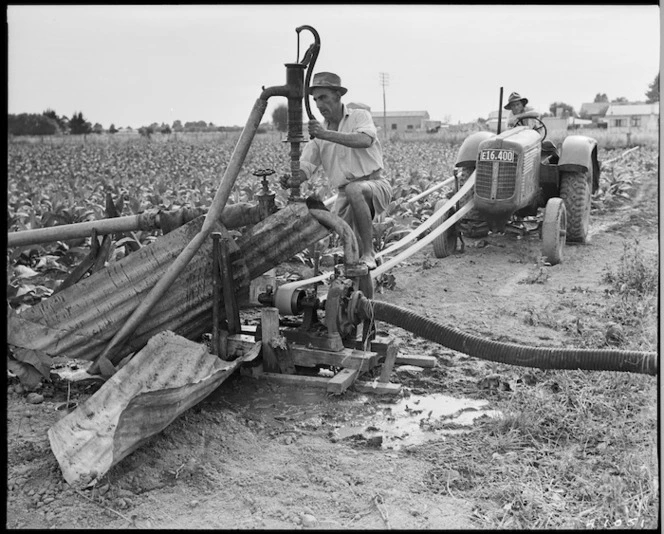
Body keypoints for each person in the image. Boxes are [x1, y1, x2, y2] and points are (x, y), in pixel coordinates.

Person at [287, 72, 392, 270]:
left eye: (323, 97)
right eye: (315, 99)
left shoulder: (359, 116)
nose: (318, 104)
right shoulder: (318, 135)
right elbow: (306, 166)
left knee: (354, 189)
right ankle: (360, 291)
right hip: (345, 195)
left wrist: (326, 134)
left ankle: (370, 252)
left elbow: (365, 140)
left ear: (337, 95)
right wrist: (293, 178)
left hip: (374, 185)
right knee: (350, 248)